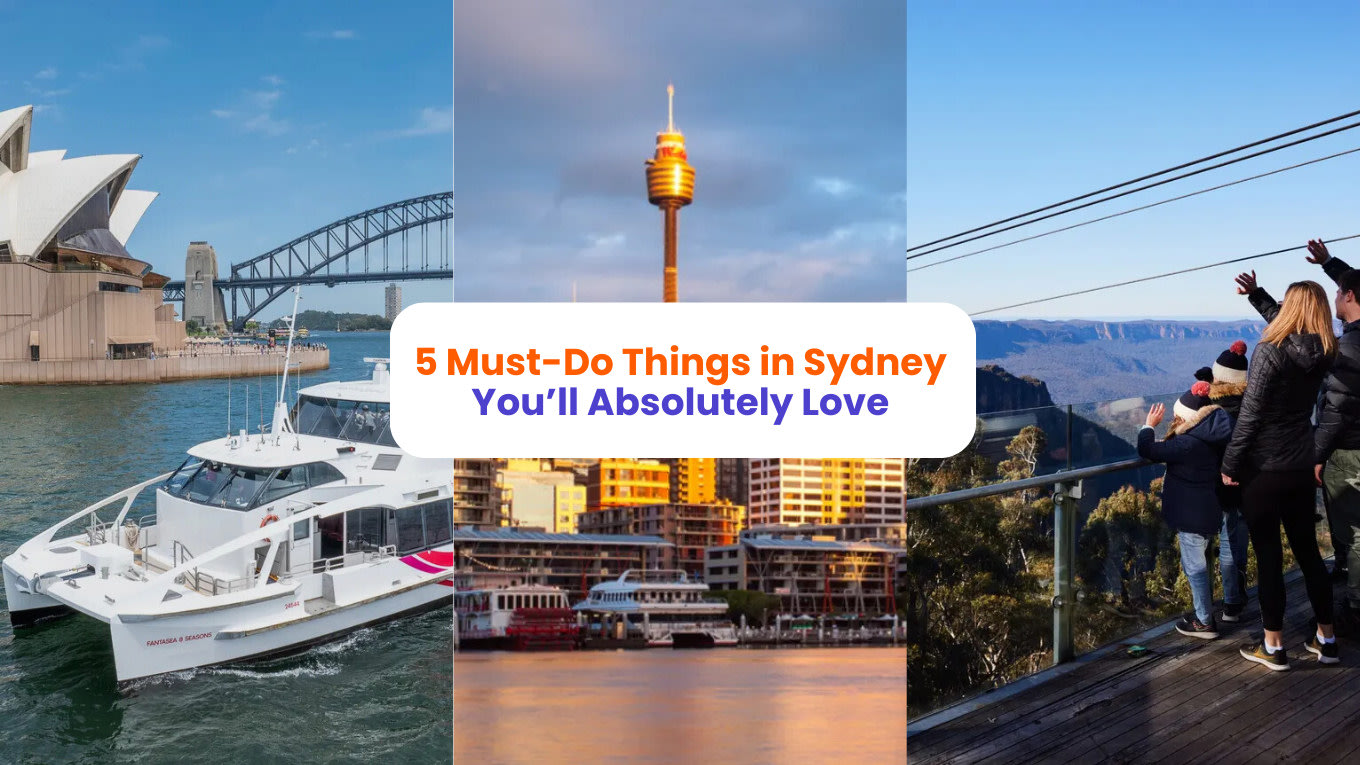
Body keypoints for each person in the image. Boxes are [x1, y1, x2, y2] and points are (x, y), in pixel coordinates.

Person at [1222, 280, 1338, 669]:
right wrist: (1259, 295)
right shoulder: (1323, 350)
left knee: (1269, 556)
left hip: (1264, 470)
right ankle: (1327, 638)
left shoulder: (1269, 351)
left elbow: (1250, 416)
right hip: (1301, 467)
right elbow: (1294, 333)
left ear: (1290, 309)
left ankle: (1273, 646)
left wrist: (1229, 465)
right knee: (1309, 553)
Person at [1238, 239, 1356, 587]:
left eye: (1340, 291)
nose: (1335, 296)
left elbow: (1334, 411)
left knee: (1352, 533)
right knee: (1318, 541)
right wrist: (1259, 295)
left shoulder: (1347, 348)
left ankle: (1351, 605)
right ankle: (1329, 623)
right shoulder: (1335, 344)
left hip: (1336, 450)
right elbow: (1297, 331)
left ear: (1349, 296)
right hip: (1316, 451)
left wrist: (1315, 455)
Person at [1139, 382, 1234, 639]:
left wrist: (1149, 425)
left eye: (1178, 415)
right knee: (1206, 561)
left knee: (1195, 567)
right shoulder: (1214, 436)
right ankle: (1221, 606)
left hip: (1192, 516)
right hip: (1210, 509)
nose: (1175, 418)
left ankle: (1204, 621)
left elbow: (1147, 449)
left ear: (1189, 419)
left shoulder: (1187, 444)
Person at [1207, 341, 1251, 623]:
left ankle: (1231, 601)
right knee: (1239, 537)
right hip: (1248, 481)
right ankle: (1238, 594)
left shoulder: (1210, 408)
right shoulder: (1251, 406)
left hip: (1218, 483)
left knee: (1226, 539)